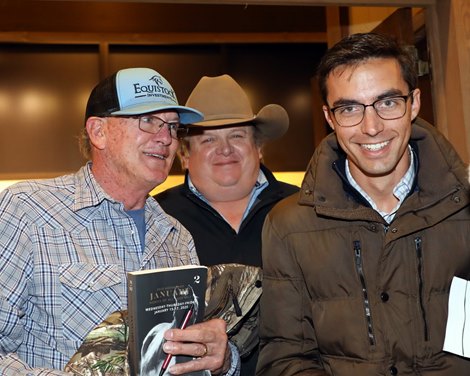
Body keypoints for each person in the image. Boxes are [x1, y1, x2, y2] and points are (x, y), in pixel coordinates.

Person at [0, 67, 240, 375]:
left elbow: (189, 353)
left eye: (173, 126)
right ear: (98, 131)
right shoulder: (28, 212)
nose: (165, 138)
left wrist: (222, 360)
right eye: (149, 121)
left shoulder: (176, 236)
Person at [256, 32, 470, 376]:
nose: (371, 128)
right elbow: (285, 358)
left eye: (387, 102)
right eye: (350, 108)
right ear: (329, 117)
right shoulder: (288, 226)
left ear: (413, 103)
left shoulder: (464, 206)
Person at [155, 74, 299, 374]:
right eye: (208, 139)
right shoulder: (157, 218)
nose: (225, 149)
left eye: (237, 136)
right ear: (184, 154)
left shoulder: (302, 209)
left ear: (258, 148)